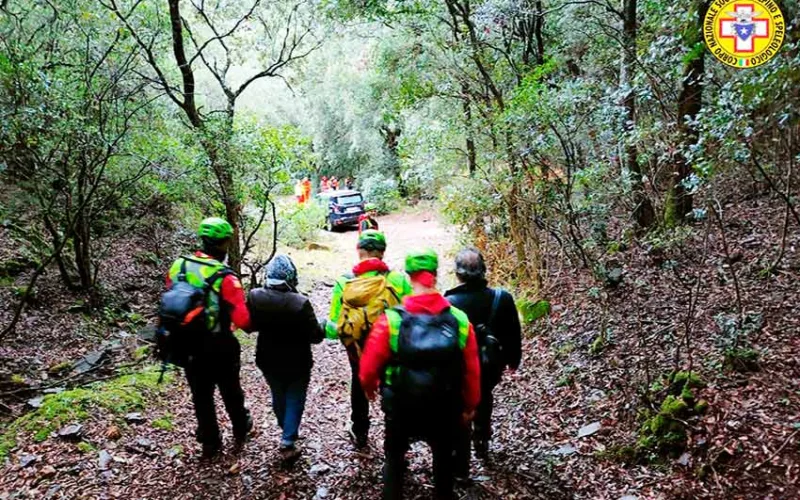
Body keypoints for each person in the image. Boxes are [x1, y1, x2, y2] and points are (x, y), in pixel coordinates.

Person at [360, 249, 481, 500]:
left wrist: (369, 387)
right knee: (443, 463)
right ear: (435, 275)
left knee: (393, 459)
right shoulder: (459, 320)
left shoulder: (391, 321)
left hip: (401, 406)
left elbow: (369, 367)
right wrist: (470, 404)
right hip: (444, 406)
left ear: (409, 276)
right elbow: (472, 369)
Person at [164, 217, 253, 459]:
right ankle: (240, 427)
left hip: (186, 343)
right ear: (224, 244)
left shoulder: (178, 266)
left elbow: (171, 295)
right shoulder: (225, 277)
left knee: (201, 394)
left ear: (203, 241)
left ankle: (210, 442)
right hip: (219, 344)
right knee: (231, 390)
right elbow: (244, 320)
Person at [325, 230, 412, 448]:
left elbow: (333, 328)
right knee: (392, 384)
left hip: (358, 349)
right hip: (391, 347)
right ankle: (395, 433)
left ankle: (360, 430)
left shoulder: (344, 282)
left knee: (358, 382)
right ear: (382, 252)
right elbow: (412, 315)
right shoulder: (398, 280)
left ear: (359, 251)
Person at [445, 247, 521, 474]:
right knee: (485, 395)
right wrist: (513, 359)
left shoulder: (448, 302)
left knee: (460, 402)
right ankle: (482, 439)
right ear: (484, 271)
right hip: (491, 364)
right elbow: (512, 333)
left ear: (458, 274)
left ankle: (462, 449)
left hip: (460, 367)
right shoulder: (502, 298)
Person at [248, 255, 324, 464]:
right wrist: (324, 326)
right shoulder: (300, 303)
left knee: (278, 394)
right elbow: (315, 336)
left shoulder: (255, 296)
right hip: (297, 361)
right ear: (292, 276)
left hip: (267, 358)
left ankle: (287, 429)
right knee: (295, 397)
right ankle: (288, 440)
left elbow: (250, 325)